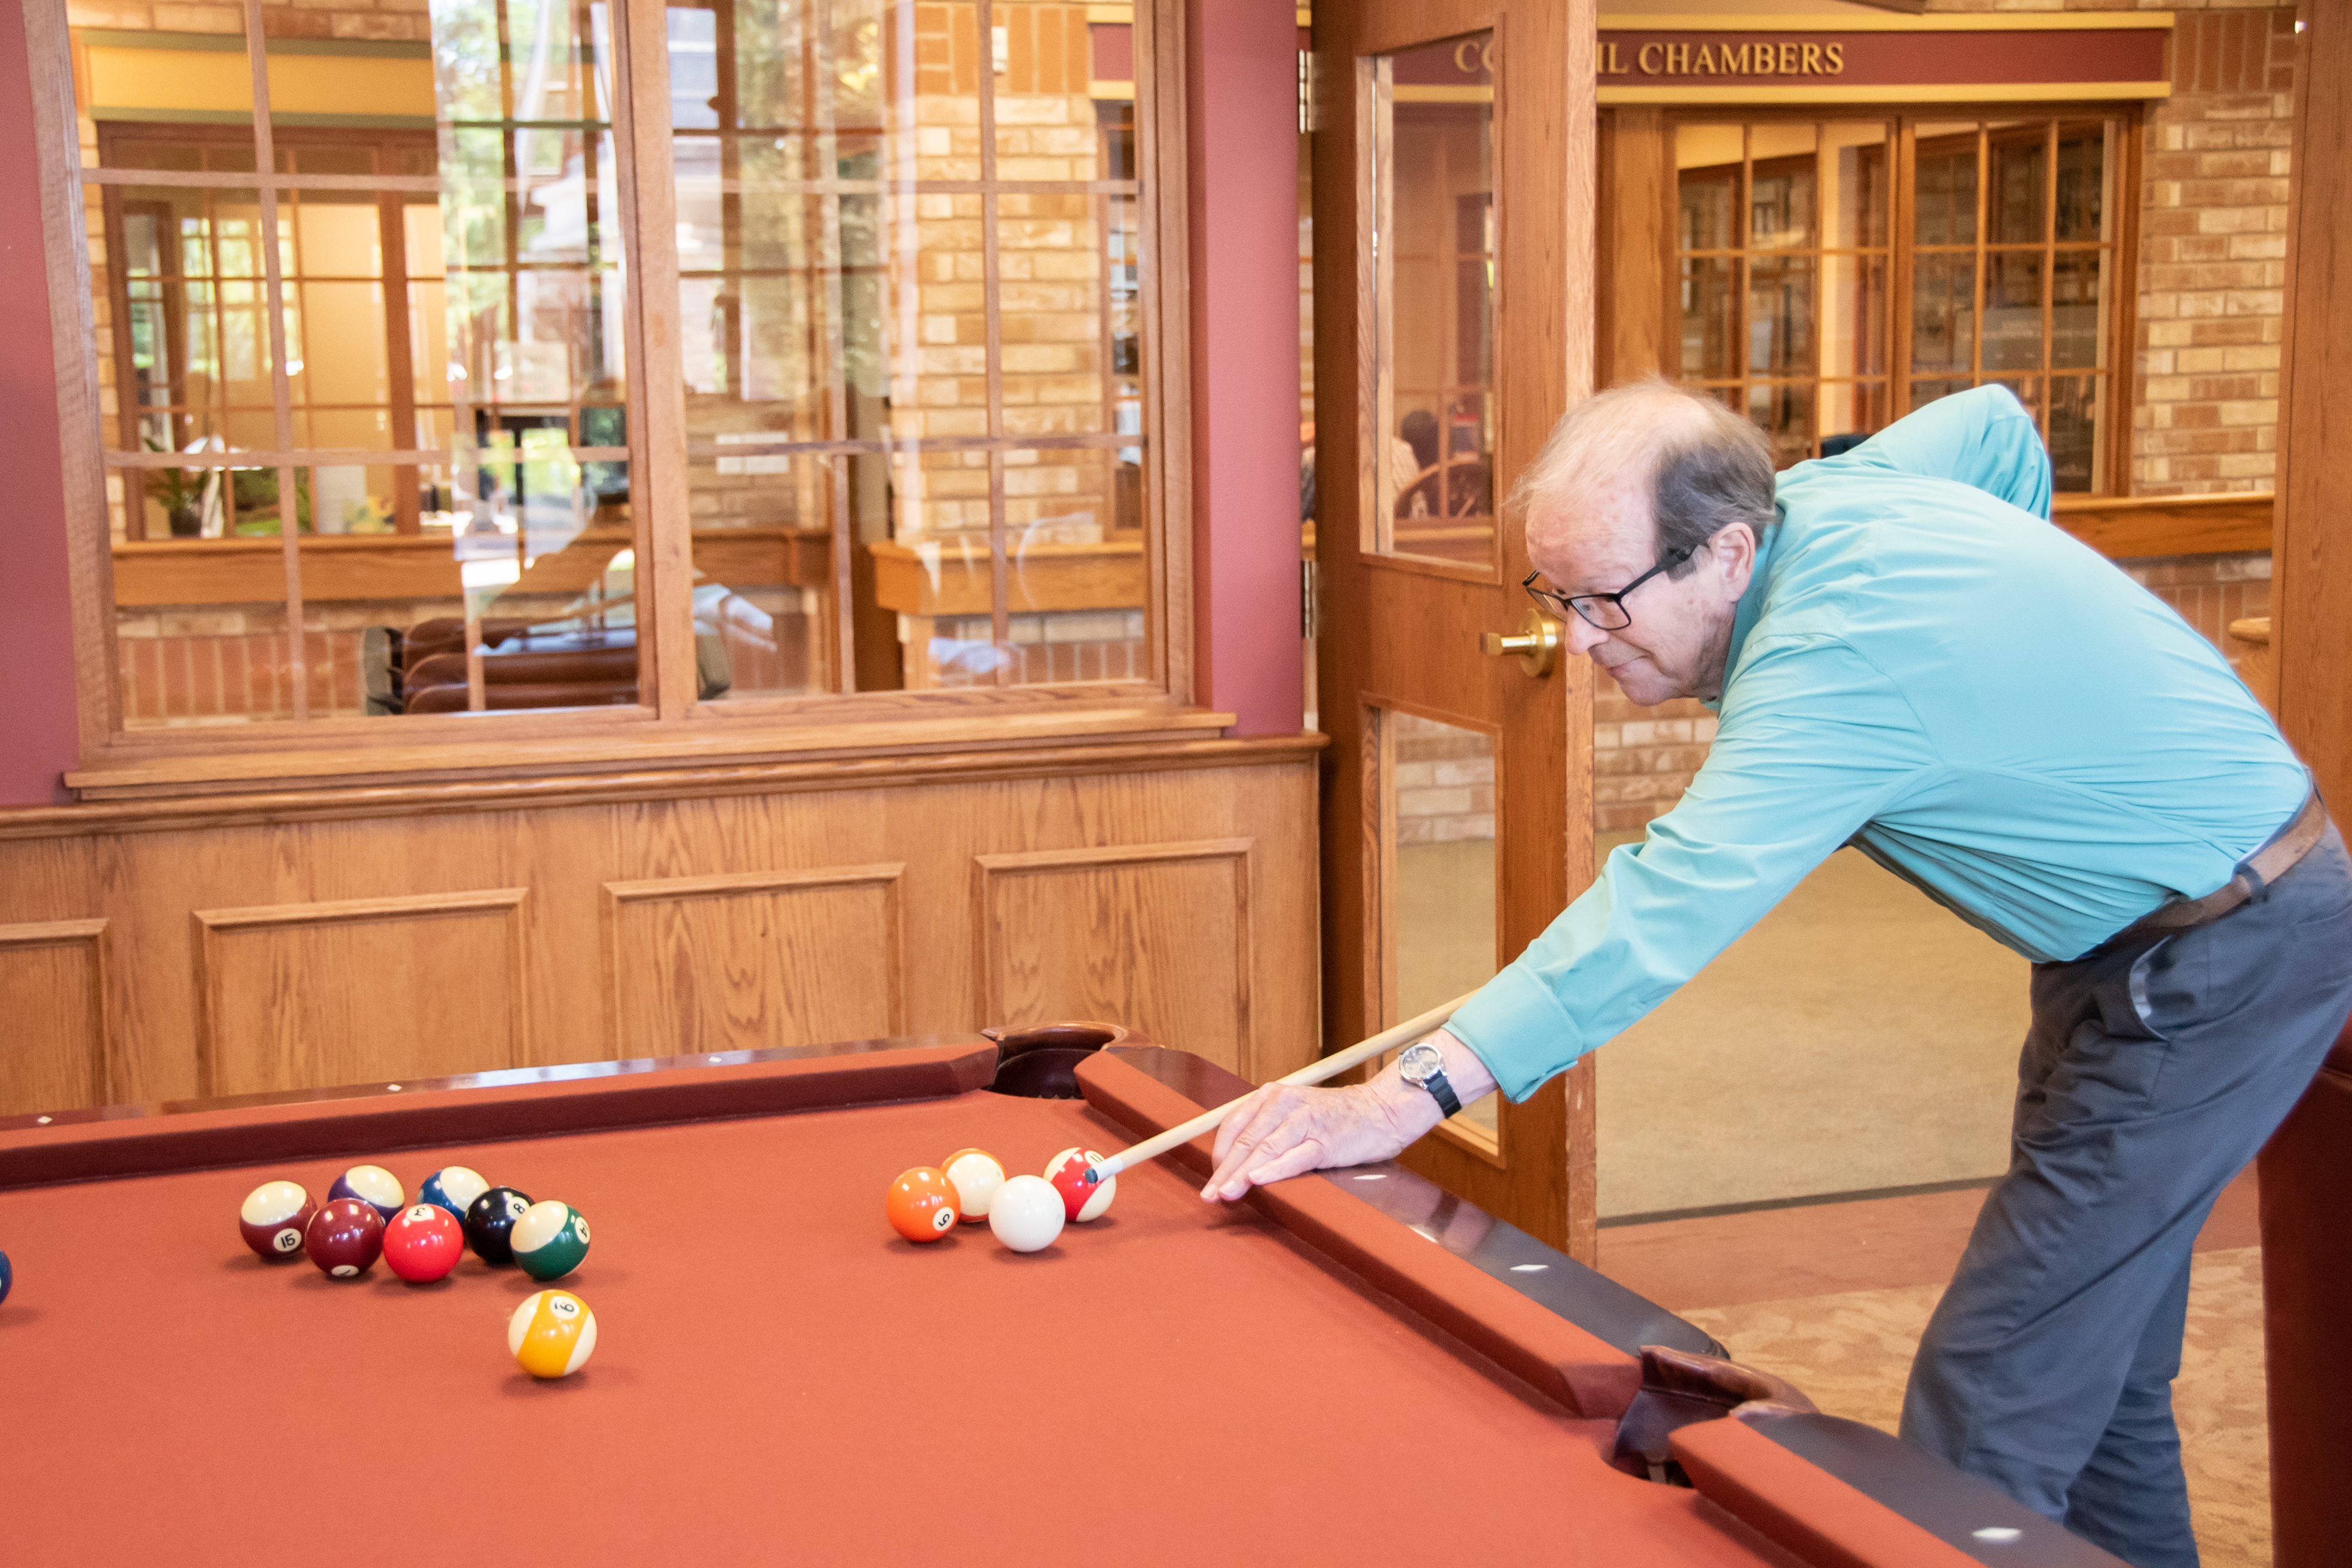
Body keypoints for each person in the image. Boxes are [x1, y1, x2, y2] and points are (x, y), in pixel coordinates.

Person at [1202, 378, 2352, 1568]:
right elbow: (1999, 425)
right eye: (1558, 597)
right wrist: (2012, 640)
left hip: (2224, 963)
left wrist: (1401, 1098)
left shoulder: (1830, 664)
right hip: (2128, 947)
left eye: (1605, 601)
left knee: (1989, 1405)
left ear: (1730, 548)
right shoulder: (1833, 496)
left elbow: (1662, 909)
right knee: (2096, 1380)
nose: (1580, 640)